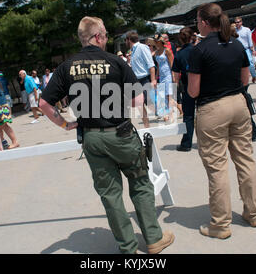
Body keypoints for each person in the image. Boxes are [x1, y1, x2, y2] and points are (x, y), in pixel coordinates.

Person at [40, 16, 174, 254]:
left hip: (91, 137)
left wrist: (65, 124)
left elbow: (44, 104)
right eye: (105, 35)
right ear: (98, 36)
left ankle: (128, 248)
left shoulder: (66, 67)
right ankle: (153, 239)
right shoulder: (116, 62)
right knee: (140, 184)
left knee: (110, 195)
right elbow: (138, 100)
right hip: (120, 134)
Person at [187, 3, 256, 239]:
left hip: (212, 108)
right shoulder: (236, 43)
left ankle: (220, 224)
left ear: (203, 22)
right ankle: (255, 213)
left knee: (217, 168)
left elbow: (193, 91)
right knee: (245, 159)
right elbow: (246, 77)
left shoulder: (199, 51)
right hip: (238, 103)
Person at [125, 31, 157, 128]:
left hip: (144, 79)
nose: (125, 43)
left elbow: (151, 65)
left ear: (129, 40)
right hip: (136, 81)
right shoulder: (133, 51)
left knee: (152, 103)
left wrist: (153, 80)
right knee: (140, 104)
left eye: (126, 41)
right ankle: (147, 126)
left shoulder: (142, 47)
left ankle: (168, 111)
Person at [172, 27, 195, 151]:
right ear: (192, 37)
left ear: (180, 39)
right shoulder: (197, 50)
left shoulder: (179, 54)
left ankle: (186, 143)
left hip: (187, 87)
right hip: (202, 85)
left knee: (189, 116)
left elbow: (175, 77)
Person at [154, 35, 175, 122]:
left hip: (168, 75)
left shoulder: (167, 50)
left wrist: (173, 75)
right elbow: (158, 65)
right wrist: (156, 77)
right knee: (163, 96)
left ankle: (171, 115)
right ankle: (166, 113)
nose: (156, 42)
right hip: (161, 76)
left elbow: (172, 63)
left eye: (157, 41)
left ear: (160, 42)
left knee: (169, 95)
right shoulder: (156, 52)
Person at [234, 16, 256, 83]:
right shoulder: (234, 31)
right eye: (236, 22)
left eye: (238, 22)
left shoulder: (246, 30)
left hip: (246, 49)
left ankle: (254, 75)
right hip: (238, 50)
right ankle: (242, 79)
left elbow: (250, 40)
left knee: (250, 63)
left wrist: (252, 49)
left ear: (241, 22)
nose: (237, 23)